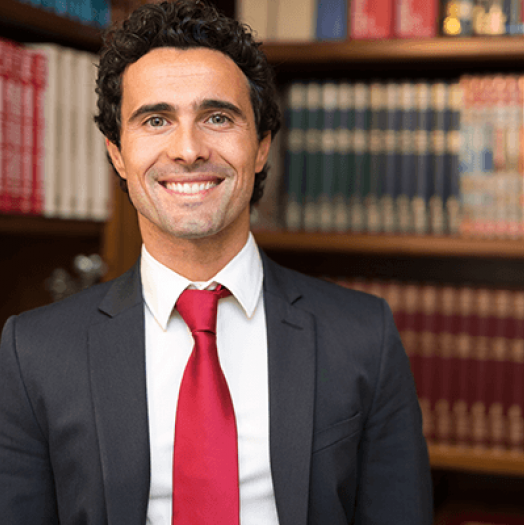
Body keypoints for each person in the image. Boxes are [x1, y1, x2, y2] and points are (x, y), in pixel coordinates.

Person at [0, 1, 433, 523]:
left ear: (261, 147)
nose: (188, 149)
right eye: (156, 119)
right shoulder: (34, 353)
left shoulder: (365, 337)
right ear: (117, 152)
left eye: (218, 117)